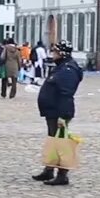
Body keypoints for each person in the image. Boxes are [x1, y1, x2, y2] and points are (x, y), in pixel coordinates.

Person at [33, 41, 83, 186]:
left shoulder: (68, 70)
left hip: (59, 111)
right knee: (53, 142)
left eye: (55, 52)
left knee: (61, 143)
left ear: (62, 53)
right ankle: (49, 169)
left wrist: (64, 115)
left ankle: (62, 174)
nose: (52, 54)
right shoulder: (61, 67)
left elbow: (66, 94)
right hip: (52, 110)